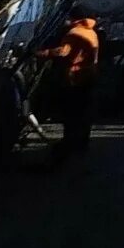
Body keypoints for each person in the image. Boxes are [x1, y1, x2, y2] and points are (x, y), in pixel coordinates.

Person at [37, 14, 101, 161]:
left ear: (73, 19)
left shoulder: (74, 33)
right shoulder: (91, 32)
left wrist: (41, 53)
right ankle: (81, 143)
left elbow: (63, 51)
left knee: (71, 113)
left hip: (75, 78)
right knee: (84, 113)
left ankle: (69, 143)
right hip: (89, 76)